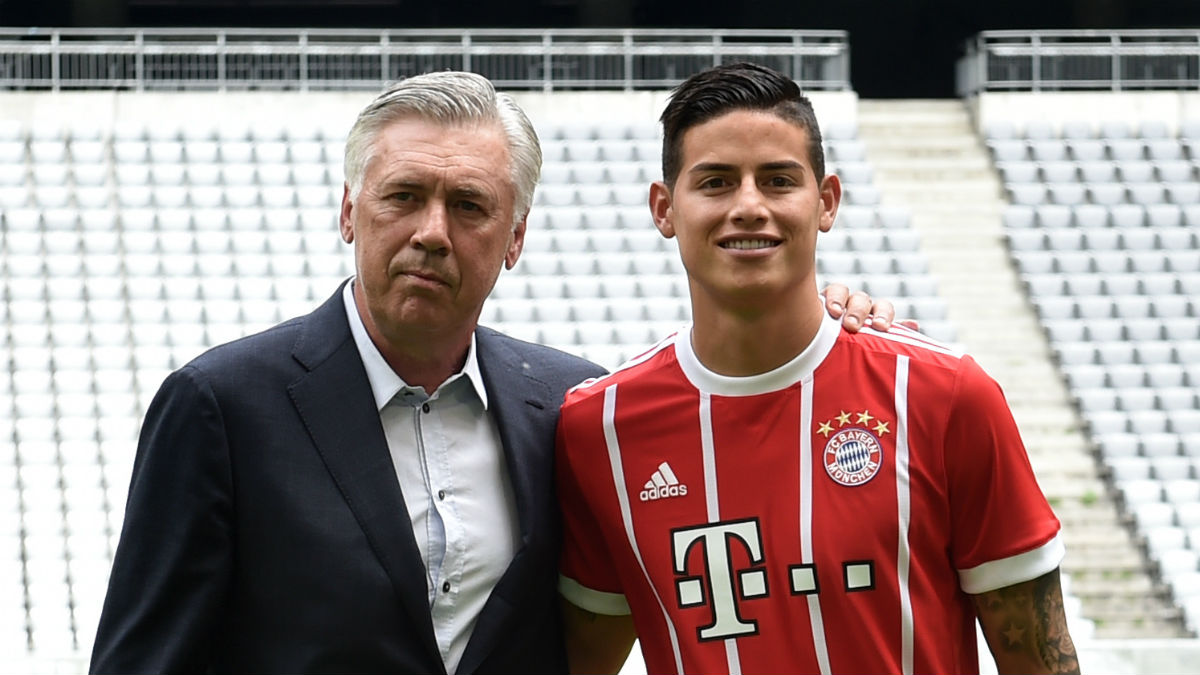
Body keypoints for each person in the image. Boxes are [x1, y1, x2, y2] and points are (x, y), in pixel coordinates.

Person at [90, 70, 891, 673]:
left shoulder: (574, 408)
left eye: (469, 206)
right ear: (348, 212)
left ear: (514, 238)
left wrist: (837, 323)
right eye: (403, 196)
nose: (432, 232)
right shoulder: (221, 407)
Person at [556, 63, 1079, 675]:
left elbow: (1041, 662)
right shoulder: (600, 430)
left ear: (825, 201)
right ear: (665, 208)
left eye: (778, 180)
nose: (749, 206)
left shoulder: (943, 396)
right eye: (717, 182)